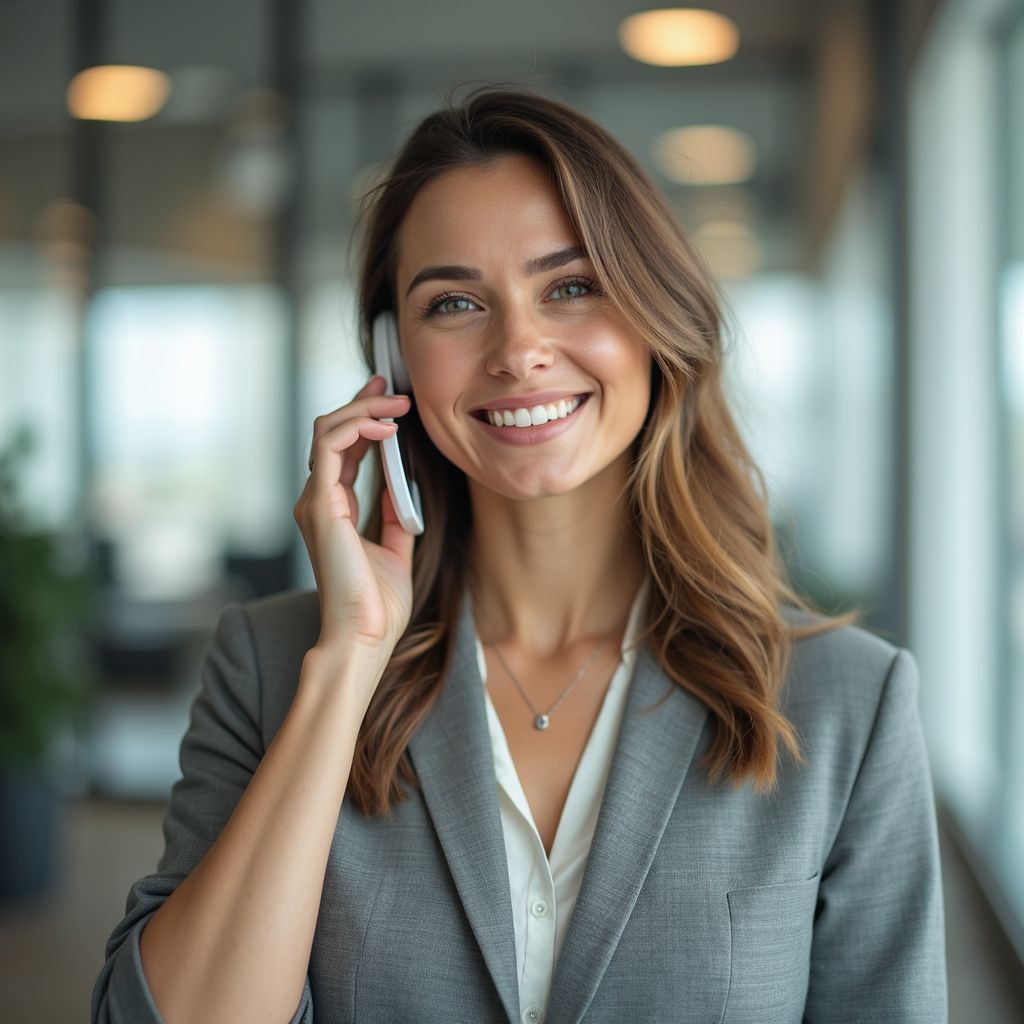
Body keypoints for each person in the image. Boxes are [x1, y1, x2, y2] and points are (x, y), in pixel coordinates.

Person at [91, 85, 947, 1024]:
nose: (519, 349)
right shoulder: (270, 666)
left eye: (571, 286)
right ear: (394, 354)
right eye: (455, 302)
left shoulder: (848, 706)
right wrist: (346, 669)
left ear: (656, 316)